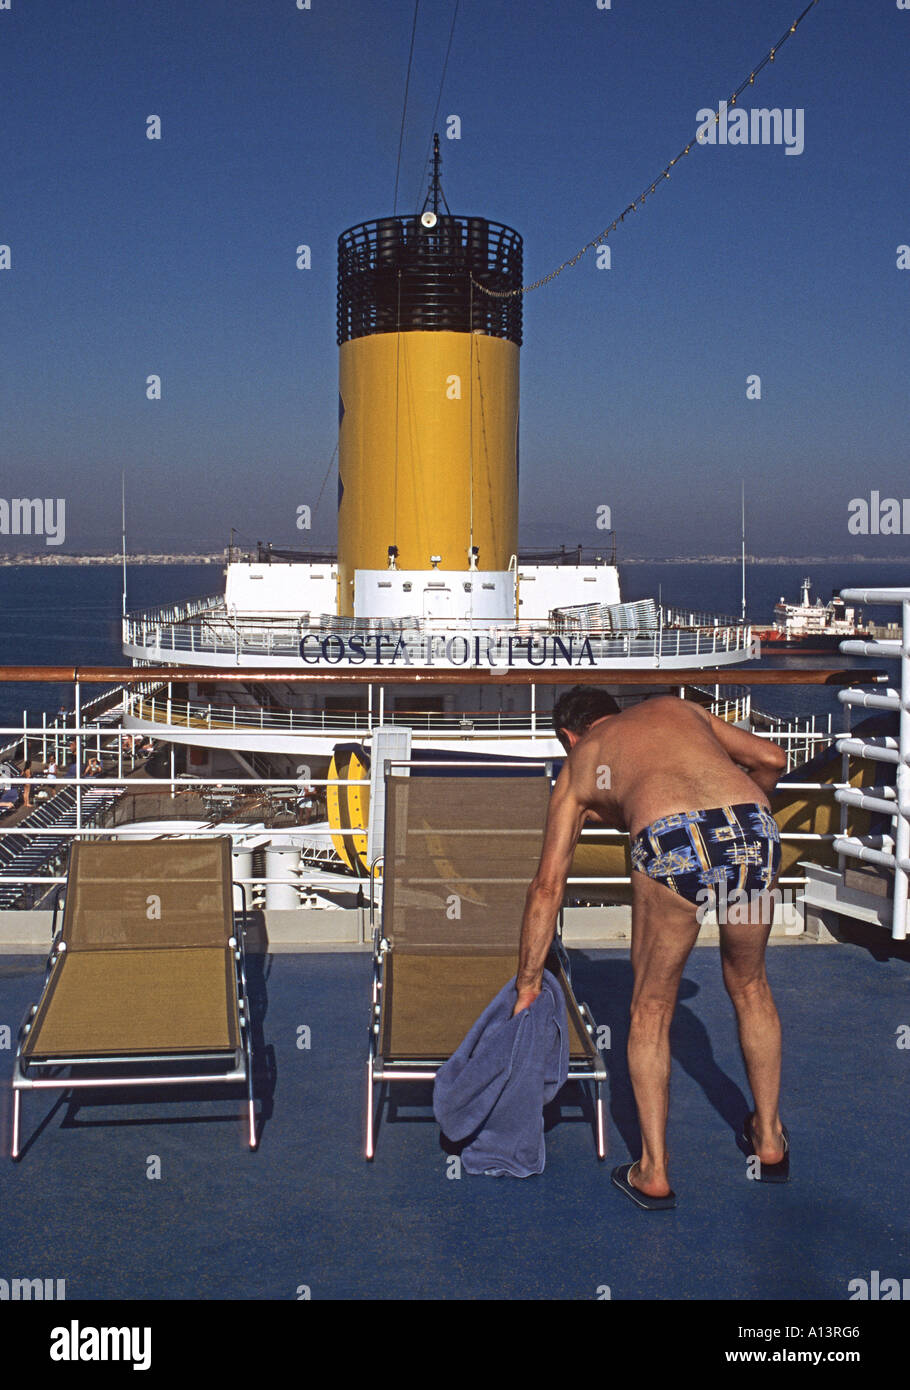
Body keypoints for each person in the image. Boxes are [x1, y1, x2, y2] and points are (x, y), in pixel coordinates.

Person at [513, 685, 788, 1210]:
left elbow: (548, 887)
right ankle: (770, 1139)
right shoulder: (675, 709)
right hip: (753, 836)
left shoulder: (579, 766)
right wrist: (740, 822)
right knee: (750, 986)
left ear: (571, 736)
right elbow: (771, 759)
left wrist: (528, 983)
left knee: (650, 1009)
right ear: (613, 714)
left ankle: (654, 1171)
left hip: (675, 842)